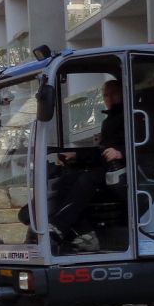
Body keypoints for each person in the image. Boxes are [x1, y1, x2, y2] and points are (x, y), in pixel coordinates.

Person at [49, 78, 124, 251]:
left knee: (86, 179)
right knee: (64, 182)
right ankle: (85, 233)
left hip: (126, 167)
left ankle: (59, 226)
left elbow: (144, 144)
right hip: (107, 167)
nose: (109, 98)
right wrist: (76, 155)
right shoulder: (109, 121)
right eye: (105, 95)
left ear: (123, 93)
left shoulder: (132, 116)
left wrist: (121, 152)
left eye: (113, 94)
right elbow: (100, 153)